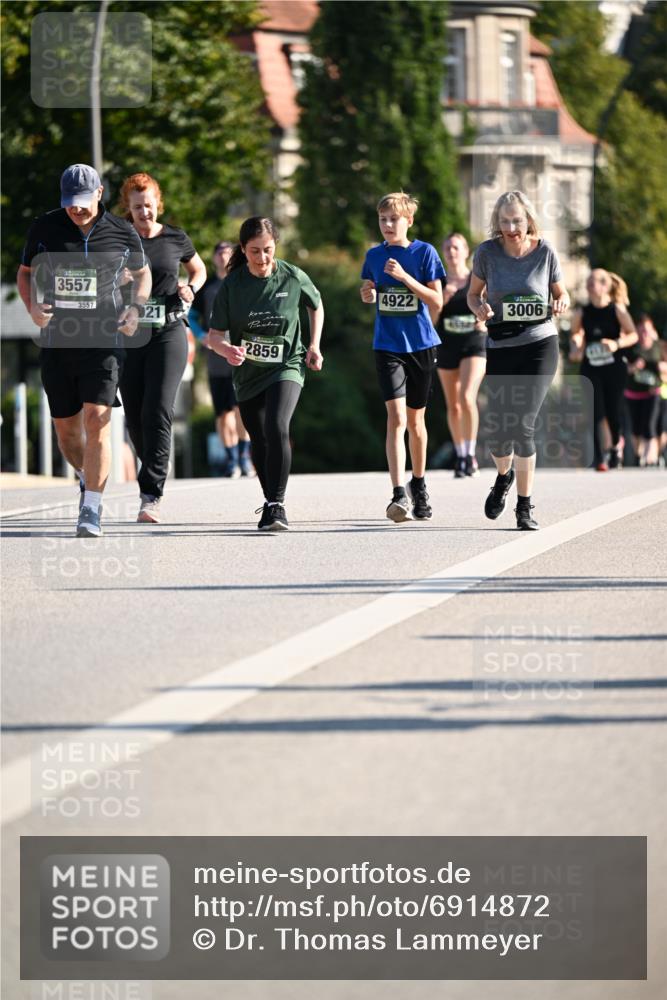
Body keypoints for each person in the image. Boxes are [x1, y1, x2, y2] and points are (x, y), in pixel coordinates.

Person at [16, 163, 151, 537]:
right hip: (59, 341)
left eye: (82, 202)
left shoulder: (122, 232)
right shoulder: (45, 228)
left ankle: (91, 507)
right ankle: (84, 475)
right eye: (69, 203)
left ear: (99, 193)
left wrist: (135, 307)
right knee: (67, 434)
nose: (76, 210)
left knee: (97, 419)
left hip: (103, 341)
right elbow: (24, 273)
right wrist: (32, 307)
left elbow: (143, 273)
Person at [205, 217, 324, 531]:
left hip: (288, 365)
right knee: (257, 437)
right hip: (248, 373)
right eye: (254, 251)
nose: (262, 258)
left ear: (276, 247)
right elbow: (214, 336)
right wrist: (227, 350)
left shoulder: (292, 276)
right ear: (243, 250)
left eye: (268, 250)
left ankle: (277, 505)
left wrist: (314, 344)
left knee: (276, 425)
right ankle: (269, 500)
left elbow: (316, 304)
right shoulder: (232, 285)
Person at [467, 190, 569, 530]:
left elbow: (561, 292)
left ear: (529, 221)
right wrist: (479, 307)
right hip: (500, 346)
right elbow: (472, 293)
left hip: (540, 344)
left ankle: (524, 507)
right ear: (497, 223)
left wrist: (561, 302)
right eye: (505, 221)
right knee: (498, 431)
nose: (512, 228)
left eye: (518, 221)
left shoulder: (544, 251)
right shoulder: (487, 253)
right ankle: (503, 476)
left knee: (523, 425)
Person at [116, 173, 206, 523]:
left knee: (158, 408)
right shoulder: (118, 238)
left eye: (149, 205)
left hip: (168, 331)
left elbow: (197, 270)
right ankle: (153, 459)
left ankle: (150, 494)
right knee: (136, 416)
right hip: (129, 334)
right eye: (137, 207)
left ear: (158, 203)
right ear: (129, 207)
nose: (144, 213)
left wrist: (191, 289)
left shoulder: (175, 237)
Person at [360, 192, 444, 522]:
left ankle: (419, 483)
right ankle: (398, 492)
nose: (388, 225)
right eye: (383, 219)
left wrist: (405, 278)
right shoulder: (373, 255)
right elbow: (369, 289)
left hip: (421, 344)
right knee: (395, 418)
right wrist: (367, 293)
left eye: (394, 219)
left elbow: (436, 299)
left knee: (416, 422)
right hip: (387, 345)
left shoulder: (425, 253)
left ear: (408, 221)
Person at [189, 241, 254, 478]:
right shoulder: (206, 287)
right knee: (222, 412)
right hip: (216, 357)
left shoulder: (243, 282)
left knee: (241, 410)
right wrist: (200, 336)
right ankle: (231, 460)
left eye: (228, 252)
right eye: (219, 253)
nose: (224, 256)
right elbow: (192, 316)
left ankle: (245, 457)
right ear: (214, 258)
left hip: (241, 354)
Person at [569, 269, 637, 471]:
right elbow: (576, 333)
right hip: (591, 367)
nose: (590, 283)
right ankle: (600, 457)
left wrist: (616, 343)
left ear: (605, 286)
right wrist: (576, 344)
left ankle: (616, 445)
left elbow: (633, 335)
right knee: (595, 411)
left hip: (614, 367)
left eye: (596, 280)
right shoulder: (582, 312)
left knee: (613, 412)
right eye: (589, 280)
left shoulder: (617, 310)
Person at [435, 232, 486, 479]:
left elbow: (489, 308)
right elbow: (431, 321)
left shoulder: (475, 280)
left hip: (474, 344)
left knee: (467, 397)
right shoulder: (439, 282)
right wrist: (441, 300)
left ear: (466, 252)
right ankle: (460, 453)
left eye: (456, 247)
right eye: (447, 248)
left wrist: (485, 322)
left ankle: (471, 454)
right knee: (453, 405)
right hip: (446, 345)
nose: (451, 251)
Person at [624, 314, 665, 466]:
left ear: (652, 330)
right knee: (635, 429)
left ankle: (650, 458)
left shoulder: (658, 346)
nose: (644, 334)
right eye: (640, 331)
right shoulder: (631, 347)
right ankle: (637, 455)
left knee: (650, 425)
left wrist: (658, 367)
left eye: (646, 331)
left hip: (653, 392)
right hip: (633, 393)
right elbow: (622, 368)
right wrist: (634, 367)